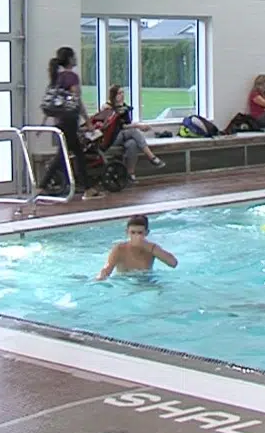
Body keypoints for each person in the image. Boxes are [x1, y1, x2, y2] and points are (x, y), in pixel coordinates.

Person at [43, 47, 104, 200]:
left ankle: (87, 188)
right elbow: (77, 102)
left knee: (76, 154)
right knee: (66, 154)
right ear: (70, 59)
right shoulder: (71, 77)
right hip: (69, 122)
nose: (76, 59)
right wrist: (88, 122)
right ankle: (42, 184)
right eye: (74, 56)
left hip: (59, 122)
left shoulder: (56, 77)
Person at [92, 85, 165, 179]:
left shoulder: (124, 107)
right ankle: (151, 157)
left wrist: (138, 126)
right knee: (134, 131)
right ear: (113, 95)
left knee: (132, 143)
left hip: (122, 136)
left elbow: (127, 124)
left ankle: (130, 173)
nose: (122, 95)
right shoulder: (108, 108)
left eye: (122, 93)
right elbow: (119, 126)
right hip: (110, 138)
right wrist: (138, 126)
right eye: (119, 93)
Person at [97, 215, 178, 280]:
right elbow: (107, 269)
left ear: (146, 233)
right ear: (127, 232)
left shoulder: (152, 248)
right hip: (124, 282)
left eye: (140, 233)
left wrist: (148, 246)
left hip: (146, 282)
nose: (136, 236)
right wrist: (99, 279)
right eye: (133, 232)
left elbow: (173, 263)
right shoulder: (119, 249)